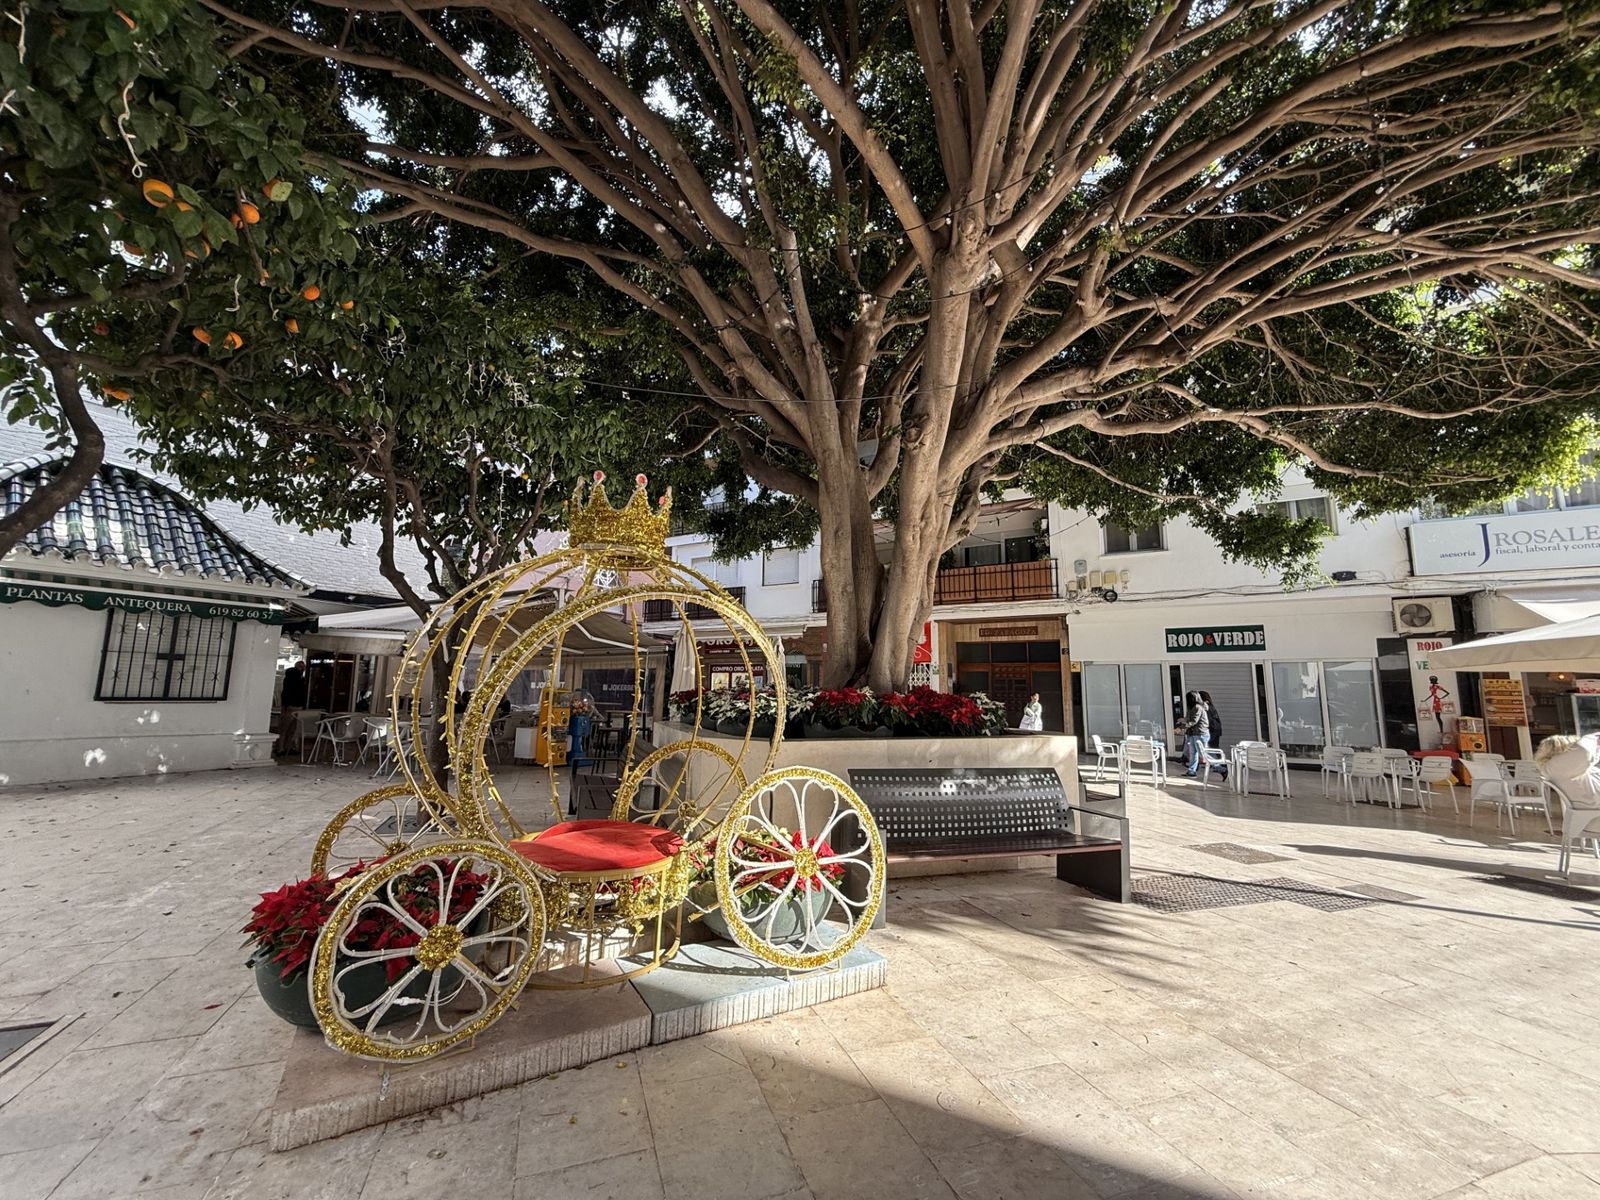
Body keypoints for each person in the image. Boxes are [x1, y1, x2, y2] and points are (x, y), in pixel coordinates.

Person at [1535, 734, 1600, 807]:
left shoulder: (1555, 769)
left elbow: (1591, 758)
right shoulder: (1561, 767)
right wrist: (1594, 738)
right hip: (1593, 803)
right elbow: (1582, 752)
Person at [1177, 690, 1216, 778]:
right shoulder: (1191, 708)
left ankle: (1220, 767)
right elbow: (1188, 718)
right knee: (1193, 752)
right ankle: (1191, 771)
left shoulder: (1198, 707)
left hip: (1200, 733)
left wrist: (1181, 728)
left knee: (1203, 753)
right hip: (1193, 733)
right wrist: (1182, 720)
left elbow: (1193, 721)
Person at [274, 659, 308, 757]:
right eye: (302, 667)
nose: (303, 669)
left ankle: (283, 748)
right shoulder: (297, 678)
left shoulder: (291, 677)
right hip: (293, 705)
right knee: (288, 728)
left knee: (287, 727)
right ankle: (283, 748)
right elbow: (293, 692)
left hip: (290, 705)